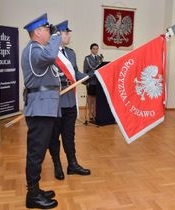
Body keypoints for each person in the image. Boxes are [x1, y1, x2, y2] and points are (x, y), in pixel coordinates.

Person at [22, 13, 61, 209]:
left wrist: (52, 37)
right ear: (37, 32)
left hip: (45, 106)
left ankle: (36, 190)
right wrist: (56, 36)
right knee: (36, 153)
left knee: (39, 151)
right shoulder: (33, 50)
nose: (50, 31)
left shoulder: (38, 49)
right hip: (40, 107)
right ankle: (32, 195)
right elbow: (51, 56)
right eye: (47, 29)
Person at [48, 20, 91, 181]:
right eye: (66, 32)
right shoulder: (49, 53)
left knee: (69, 135)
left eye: (68, 32)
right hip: (55, 103)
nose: (69, 35)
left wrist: (88, 77)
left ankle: (72, 164)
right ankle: (57, 164)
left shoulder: (71, 53)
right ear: (57, 35)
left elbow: (75, 73)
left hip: (70, 102)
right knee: (53, 136)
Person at [83, 43, 103, 123]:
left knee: (96, 99)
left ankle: (94, 114)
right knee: (90, 99)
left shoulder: (99, 58)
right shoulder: (87, 58)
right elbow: (85, 70)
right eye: (94, 49)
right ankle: (90, 115)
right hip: (90, 81)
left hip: (97, 81)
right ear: (91, 49)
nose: (95, 50)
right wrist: (86, 81)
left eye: (97, 49)